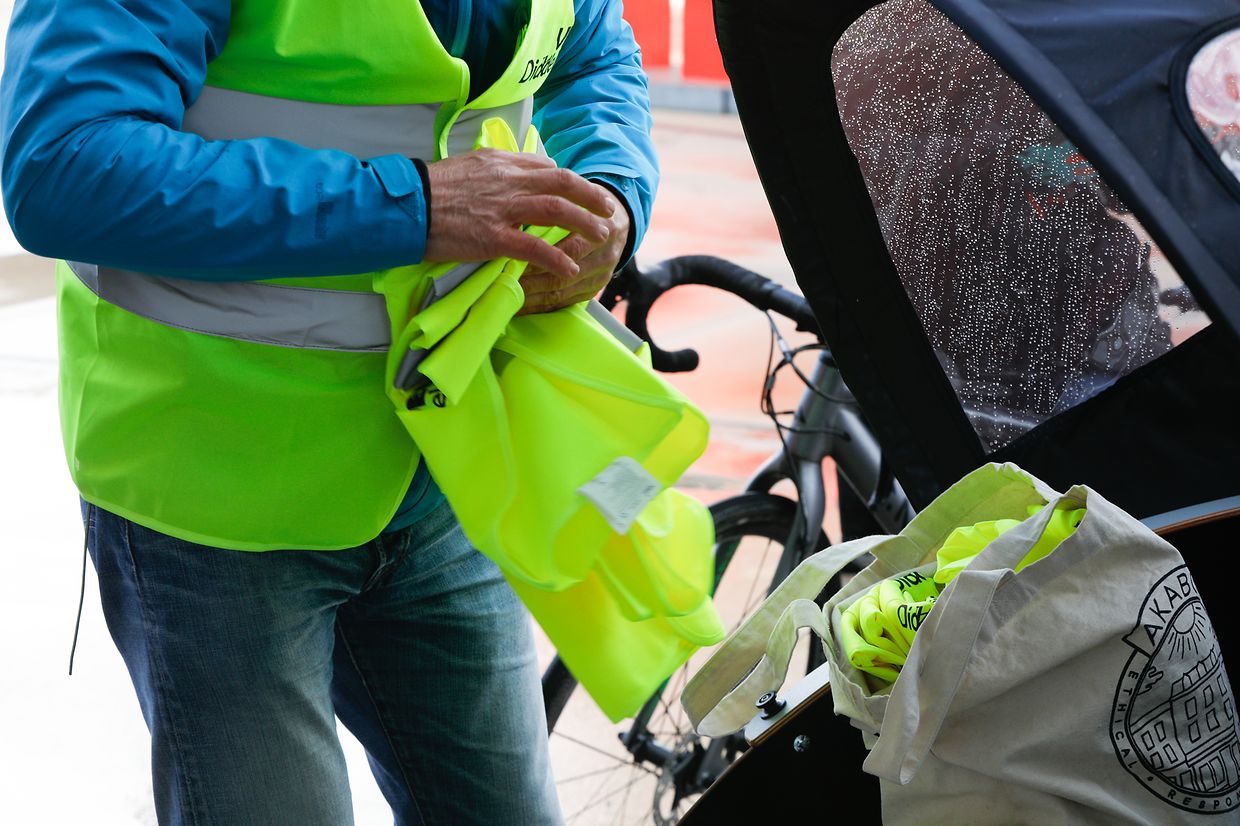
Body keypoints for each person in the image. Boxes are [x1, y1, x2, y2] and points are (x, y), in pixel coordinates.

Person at [0, 0, 656, 823]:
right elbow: (63, 163)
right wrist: (412, 209)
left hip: (441, 471)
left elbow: (592, 52)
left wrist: (614, 196)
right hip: (216, 499)